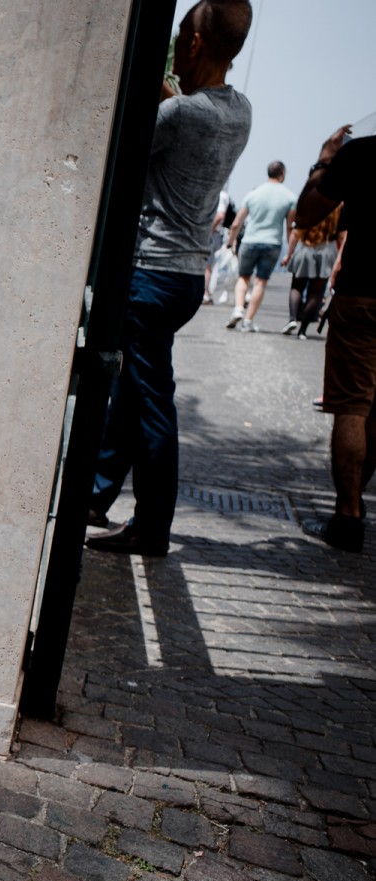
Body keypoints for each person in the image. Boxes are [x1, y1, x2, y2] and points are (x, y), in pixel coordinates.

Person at [86, 0, 253, 557]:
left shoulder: (180, 115)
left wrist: (161, 100)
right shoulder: (239, 111)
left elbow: (118, 151)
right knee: (134, 391)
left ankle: (152, 527)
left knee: (153, 402)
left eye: (181, 34)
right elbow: (193, 124)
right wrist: (174, 98)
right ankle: (96, 493)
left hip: (150, 273)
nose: (176, 45)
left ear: (197, 43)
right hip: (185, 277)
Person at [296, 125, 375, 553]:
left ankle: (348, 517)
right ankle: (354, 503)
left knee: (352, 406)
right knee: (374, 409)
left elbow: (306, 213)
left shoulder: (361, 153)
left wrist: (325, 160)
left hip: (364, 294)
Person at [225, 161, 297, 332]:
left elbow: (237, 223)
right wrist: (290, 252)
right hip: (272, 243)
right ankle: (248, 321)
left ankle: (238, 308)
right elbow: (289, 227)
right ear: (282, 174)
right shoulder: (290, 197)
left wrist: (230, 242)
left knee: (243, 278)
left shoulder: (253, 194)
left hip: (250, 241)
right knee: (260, 282)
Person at [280, 193, 341, 339]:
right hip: (326, 251)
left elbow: (295, 234)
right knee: (315, 293)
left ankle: (292, 319)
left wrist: (288, 254)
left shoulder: (308, 205)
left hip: (304, 248)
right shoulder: (338, 209)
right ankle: (303, 331)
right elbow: (343, 236)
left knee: (296, 287)